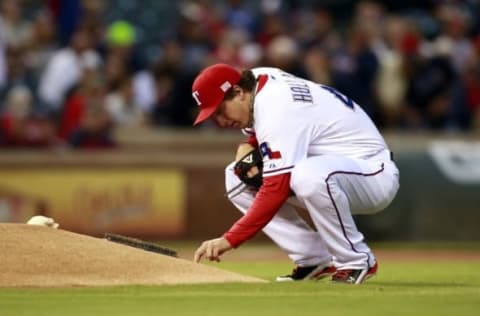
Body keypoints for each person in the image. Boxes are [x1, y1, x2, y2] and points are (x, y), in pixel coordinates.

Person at [191, 63, 399, 284]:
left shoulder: (276, 105)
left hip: (372, 173)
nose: (221, 121)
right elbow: (283, 129)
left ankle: (355, 261)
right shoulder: (259, 79)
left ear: (238, 92)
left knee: (307, 175)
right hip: (335, 169)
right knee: (236, 176)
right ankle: (313, 258)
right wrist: (245, 146)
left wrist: (229, 240)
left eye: (221, 110)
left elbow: (275, 189)